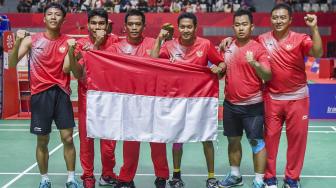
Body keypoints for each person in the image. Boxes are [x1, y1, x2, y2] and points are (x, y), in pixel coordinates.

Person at [8, 2, 80, 188]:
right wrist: (17, 41)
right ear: (44, 18)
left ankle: (71, 178)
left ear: (63, 19)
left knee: (68, 138)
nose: (54, 17)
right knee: (43, 139)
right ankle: (44, 178)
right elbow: (12, 62)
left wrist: (72, 50)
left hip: (61, 93)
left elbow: (67, 68)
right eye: (50, 14)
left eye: (57, 14)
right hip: (40, 94)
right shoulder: (32, 40)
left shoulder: (68, 41)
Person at [151, 12, 225, 188]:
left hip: (200, 100)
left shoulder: (205, 44)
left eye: (189, 27)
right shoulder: (169, 45)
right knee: (177, 140)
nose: (185, 30)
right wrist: (159, 39)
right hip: (177, 100)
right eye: (182, 27)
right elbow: (153, 61)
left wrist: (218, 67)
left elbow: (222, 64)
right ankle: (176, 176)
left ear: (195, 27)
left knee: (206, 137)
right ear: (178, 28)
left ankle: (211, 177)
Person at [259, 3, 322, 188]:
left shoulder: (300, 38)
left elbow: (317, 52)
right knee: (269, 140)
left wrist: (314, 28)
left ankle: (292, 179)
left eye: (282, 17)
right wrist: (229, 41)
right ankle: (269, 177)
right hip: (272, 98)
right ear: (271, 19)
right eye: (275, 17)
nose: (278, 21)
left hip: (298, 99)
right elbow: (248, 48)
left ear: (290, 20)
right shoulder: (262, 39)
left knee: (297, 142)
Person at [106, 9, 170, 188]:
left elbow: (155, 61)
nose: (134, 27)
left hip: (152, 101)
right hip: (129, 103)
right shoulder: (116, 47)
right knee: (130, 142)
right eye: (131, 24)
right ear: (125, 27)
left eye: (138, 24)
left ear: (144, 26)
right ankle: (126, 178)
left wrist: (159, 40)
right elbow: (103, 64)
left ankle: (162, 176)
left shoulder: (153, 43)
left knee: (157, 140)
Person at [65, 8, 119, 188]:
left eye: (101, 23)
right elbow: (77, 72)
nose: (97, 27)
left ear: (107, 25)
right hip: (87, 99)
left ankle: (108, 173)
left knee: (109, 142)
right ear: (88, 25)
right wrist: (93, 46)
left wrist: (97, 45)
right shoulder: (80, 44)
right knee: (86, 141)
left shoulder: (115, 42)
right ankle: (88, 176)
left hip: (110, 99)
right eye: (94, 23)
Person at [216, 9, 271, 188]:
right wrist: (219, 69)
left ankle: (258, 180)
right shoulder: (227, 46)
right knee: (233, 140)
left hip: (252, 105)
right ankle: (235, 175)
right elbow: (220, 71)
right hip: (231, 105)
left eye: (244, 24)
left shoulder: (258, 48)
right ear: (233, 26)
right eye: (237, 25)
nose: (241, 28)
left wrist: (254, 63)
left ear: (252, 26)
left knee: (256, 142)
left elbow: (268, 75)